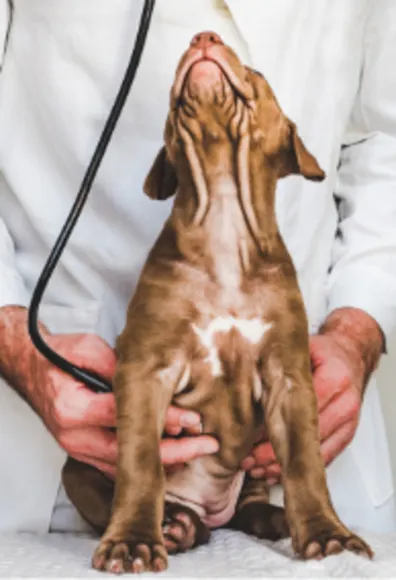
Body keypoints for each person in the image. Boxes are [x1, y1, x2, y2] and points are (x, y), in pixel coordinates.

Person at [0, 0, 395, 535]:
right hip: (76, 447)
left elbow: (384, 134)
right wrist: (19, 348)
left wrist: (358, 326)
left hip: (309, 444)